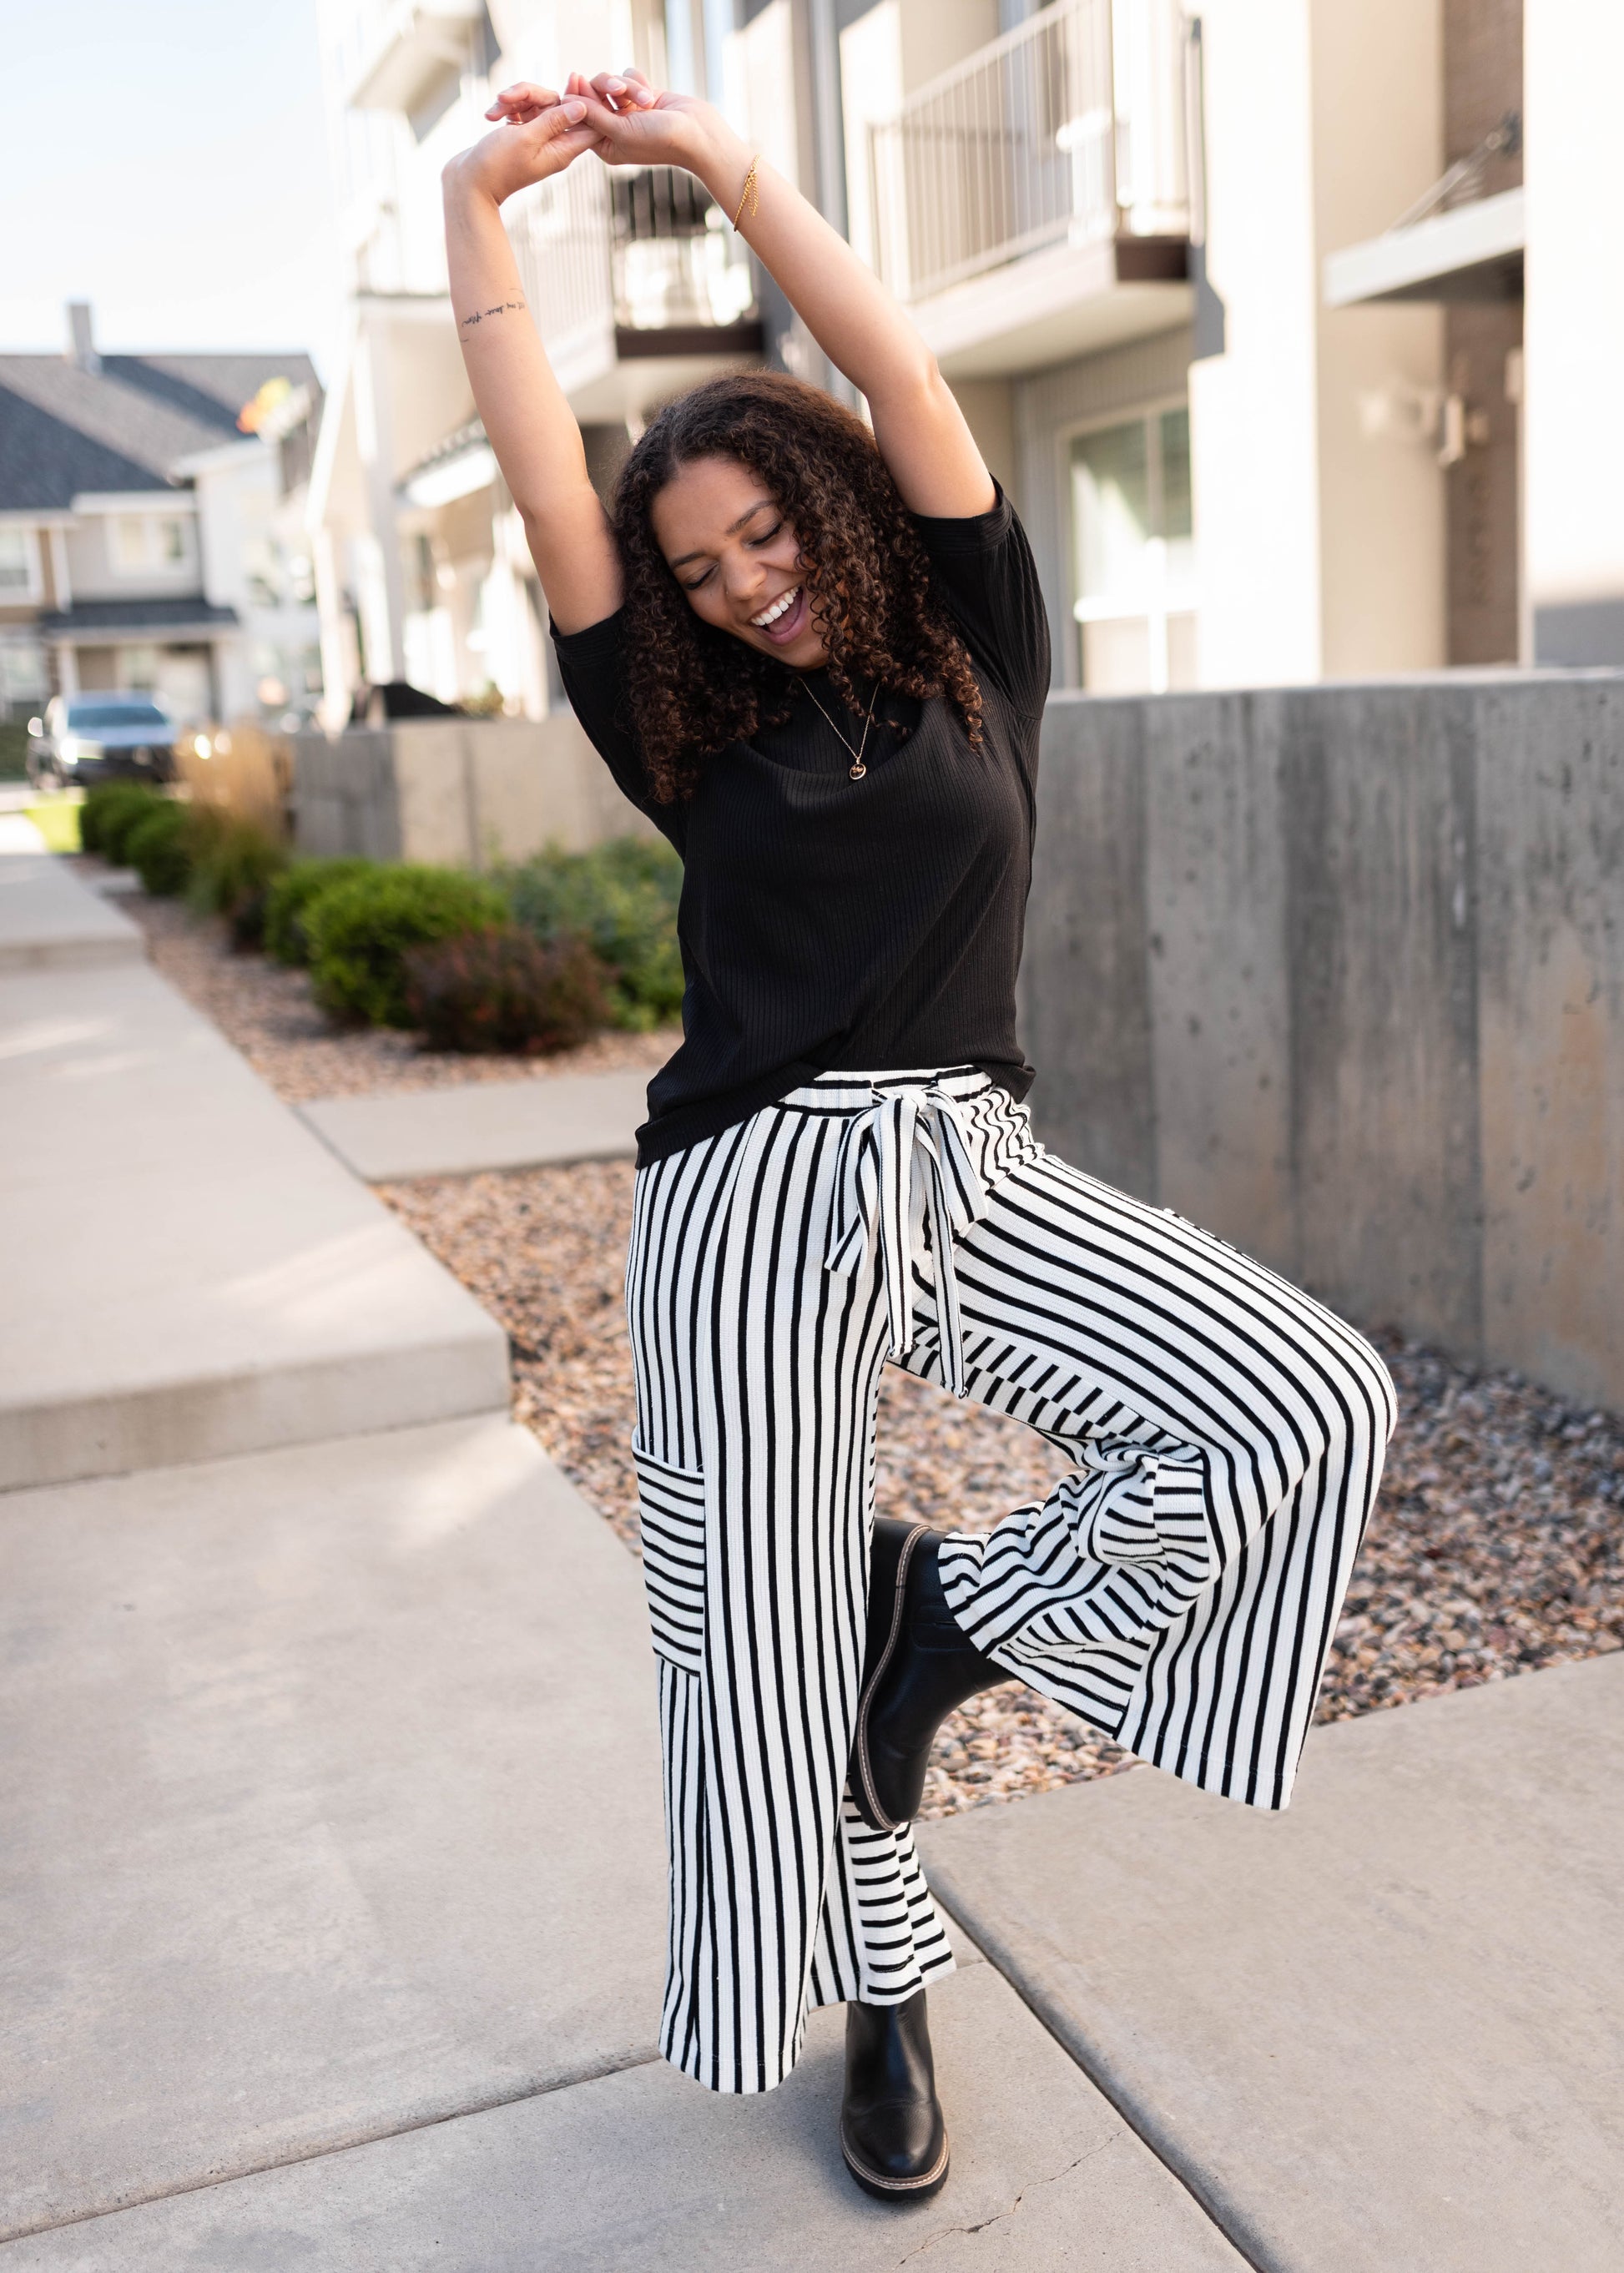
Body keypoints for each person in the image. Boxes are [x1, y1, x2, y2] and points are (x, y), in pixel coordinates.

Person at [443, 70, 1396, 2205]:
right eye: (699, 570)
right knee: (755, 1661)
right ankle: (885, 1997)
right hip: (743, 1201)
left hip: (966, 1162)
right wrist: (473, 219)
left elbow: (893, 365)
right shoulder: (674, 719)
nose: (741, 584)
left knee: (1304, 1405)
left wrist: (728, 169)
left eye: (766, 534)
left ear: (832, 503)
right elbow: (537, 474)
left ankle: (937, 1630)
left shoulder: (980, 640)